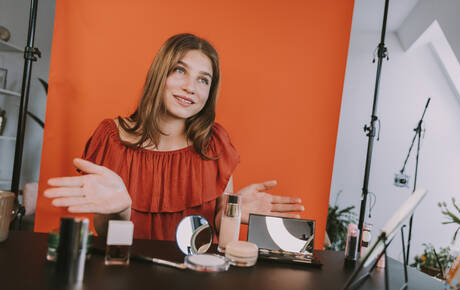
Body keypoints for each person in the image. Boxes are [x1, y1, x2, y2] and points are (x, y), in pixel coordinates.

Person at [44, 33, 304, 240]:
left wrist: (231, 214)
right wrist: (121, 211)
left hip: (195, 283)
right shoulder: (111, 138)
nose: (190, 87)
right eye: (180, 70)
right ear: (161, 74)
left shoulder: (214, 144)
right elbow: (106, 234)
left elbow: (218, 233)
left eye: (204, 80)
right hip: (127, 275)